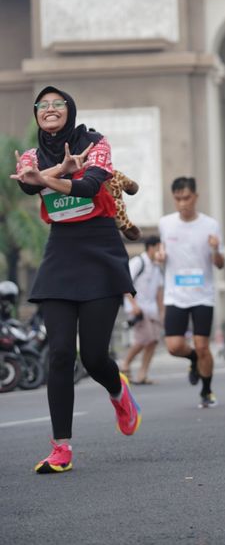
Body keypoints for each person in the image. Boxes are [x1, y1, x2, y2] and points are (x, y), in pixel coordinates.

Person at [11, 86, 141, 474]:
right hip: (61, 251)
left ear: (70, 109)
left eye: (58, 104)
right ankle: (61, 448)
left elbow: (88, 186)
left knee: (94, 356)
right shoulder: (32, 155)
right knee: (61, 354)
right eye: (43, 105)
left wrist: (53, 177)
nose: (50, 109)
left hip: (100, 249)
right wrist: (57, 171)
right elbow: (26, 184)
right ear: (37, 113)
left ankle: (118, 390)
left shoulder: (95, 143)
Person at [158, 177, 224, 408]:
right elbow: (161, 254)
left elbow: (220, 264)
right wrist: (160, 258)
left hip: (202, 294)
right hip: (175, 294)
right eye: (177, 199)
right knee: (174, 347)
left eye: (186, 198)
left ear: (195, 197)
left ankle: (207, 391)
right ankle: (193, 358)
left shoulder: (210, 225)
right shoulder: (165, 224)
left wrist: (215, 249)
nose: (182, 203)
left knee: (203, 344)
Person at [121, 235, 164, 384]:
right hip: (138, 308)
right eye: (158, 248)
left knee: (153, 341)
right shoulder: (138, 262)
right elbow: (125, 283)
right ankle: (125, 364)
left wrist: (162, 311)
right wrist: (134, 305)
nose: (160, 251)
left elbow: (159, 291)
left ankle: (142, 374)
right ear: (151, 248)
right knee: (144, 339)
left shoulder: (157, 267)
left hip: (152, 309)